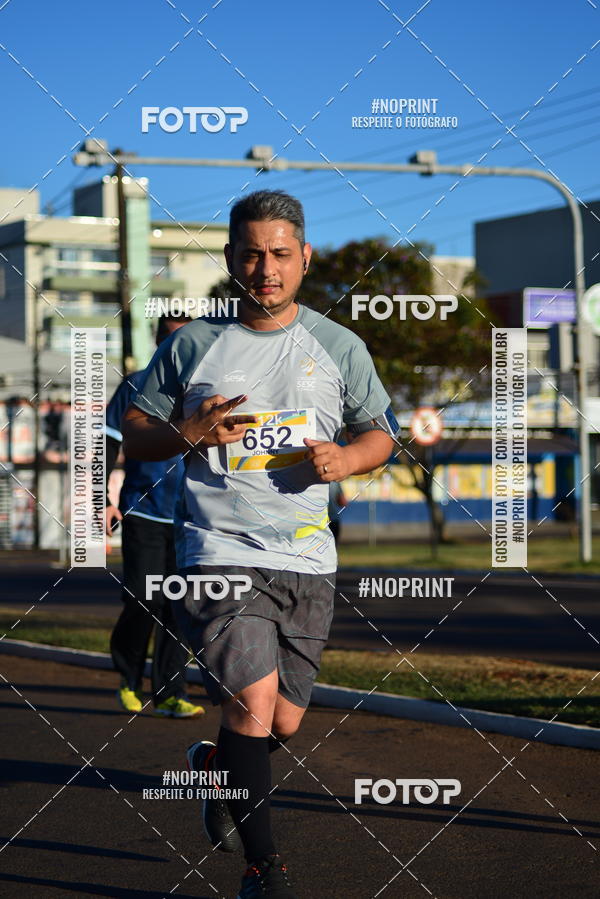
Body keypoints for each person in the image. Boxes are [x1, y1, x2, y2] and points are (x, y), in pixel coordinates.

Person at [121, 190, 397, 897]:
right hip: (217, 551)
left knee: (283, 721)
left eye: (279, 253)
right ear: (229, 259)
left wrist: (346, 459)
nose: (265, 268)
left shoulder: (340, 347)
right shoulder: (192, 344)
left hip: (306, 558)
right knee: (252, 699)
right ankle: (263, 869)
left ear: (303, 257)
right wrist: (186, 432)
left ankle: (217, 766)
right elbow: (136, 427)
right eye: (251, 253)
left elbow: (380, 434)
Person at [105, 313, 204, 719]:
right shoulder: (135, 384)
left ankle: (169, 692)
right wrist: (102, 499)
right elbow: (109, 441)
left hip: (191, 517)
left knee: (177, 607)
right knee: (144, 599)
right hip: (143, 512)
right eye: (170, 338)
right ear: (158, 342)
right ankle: (128, 680)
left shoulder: (206, 388)